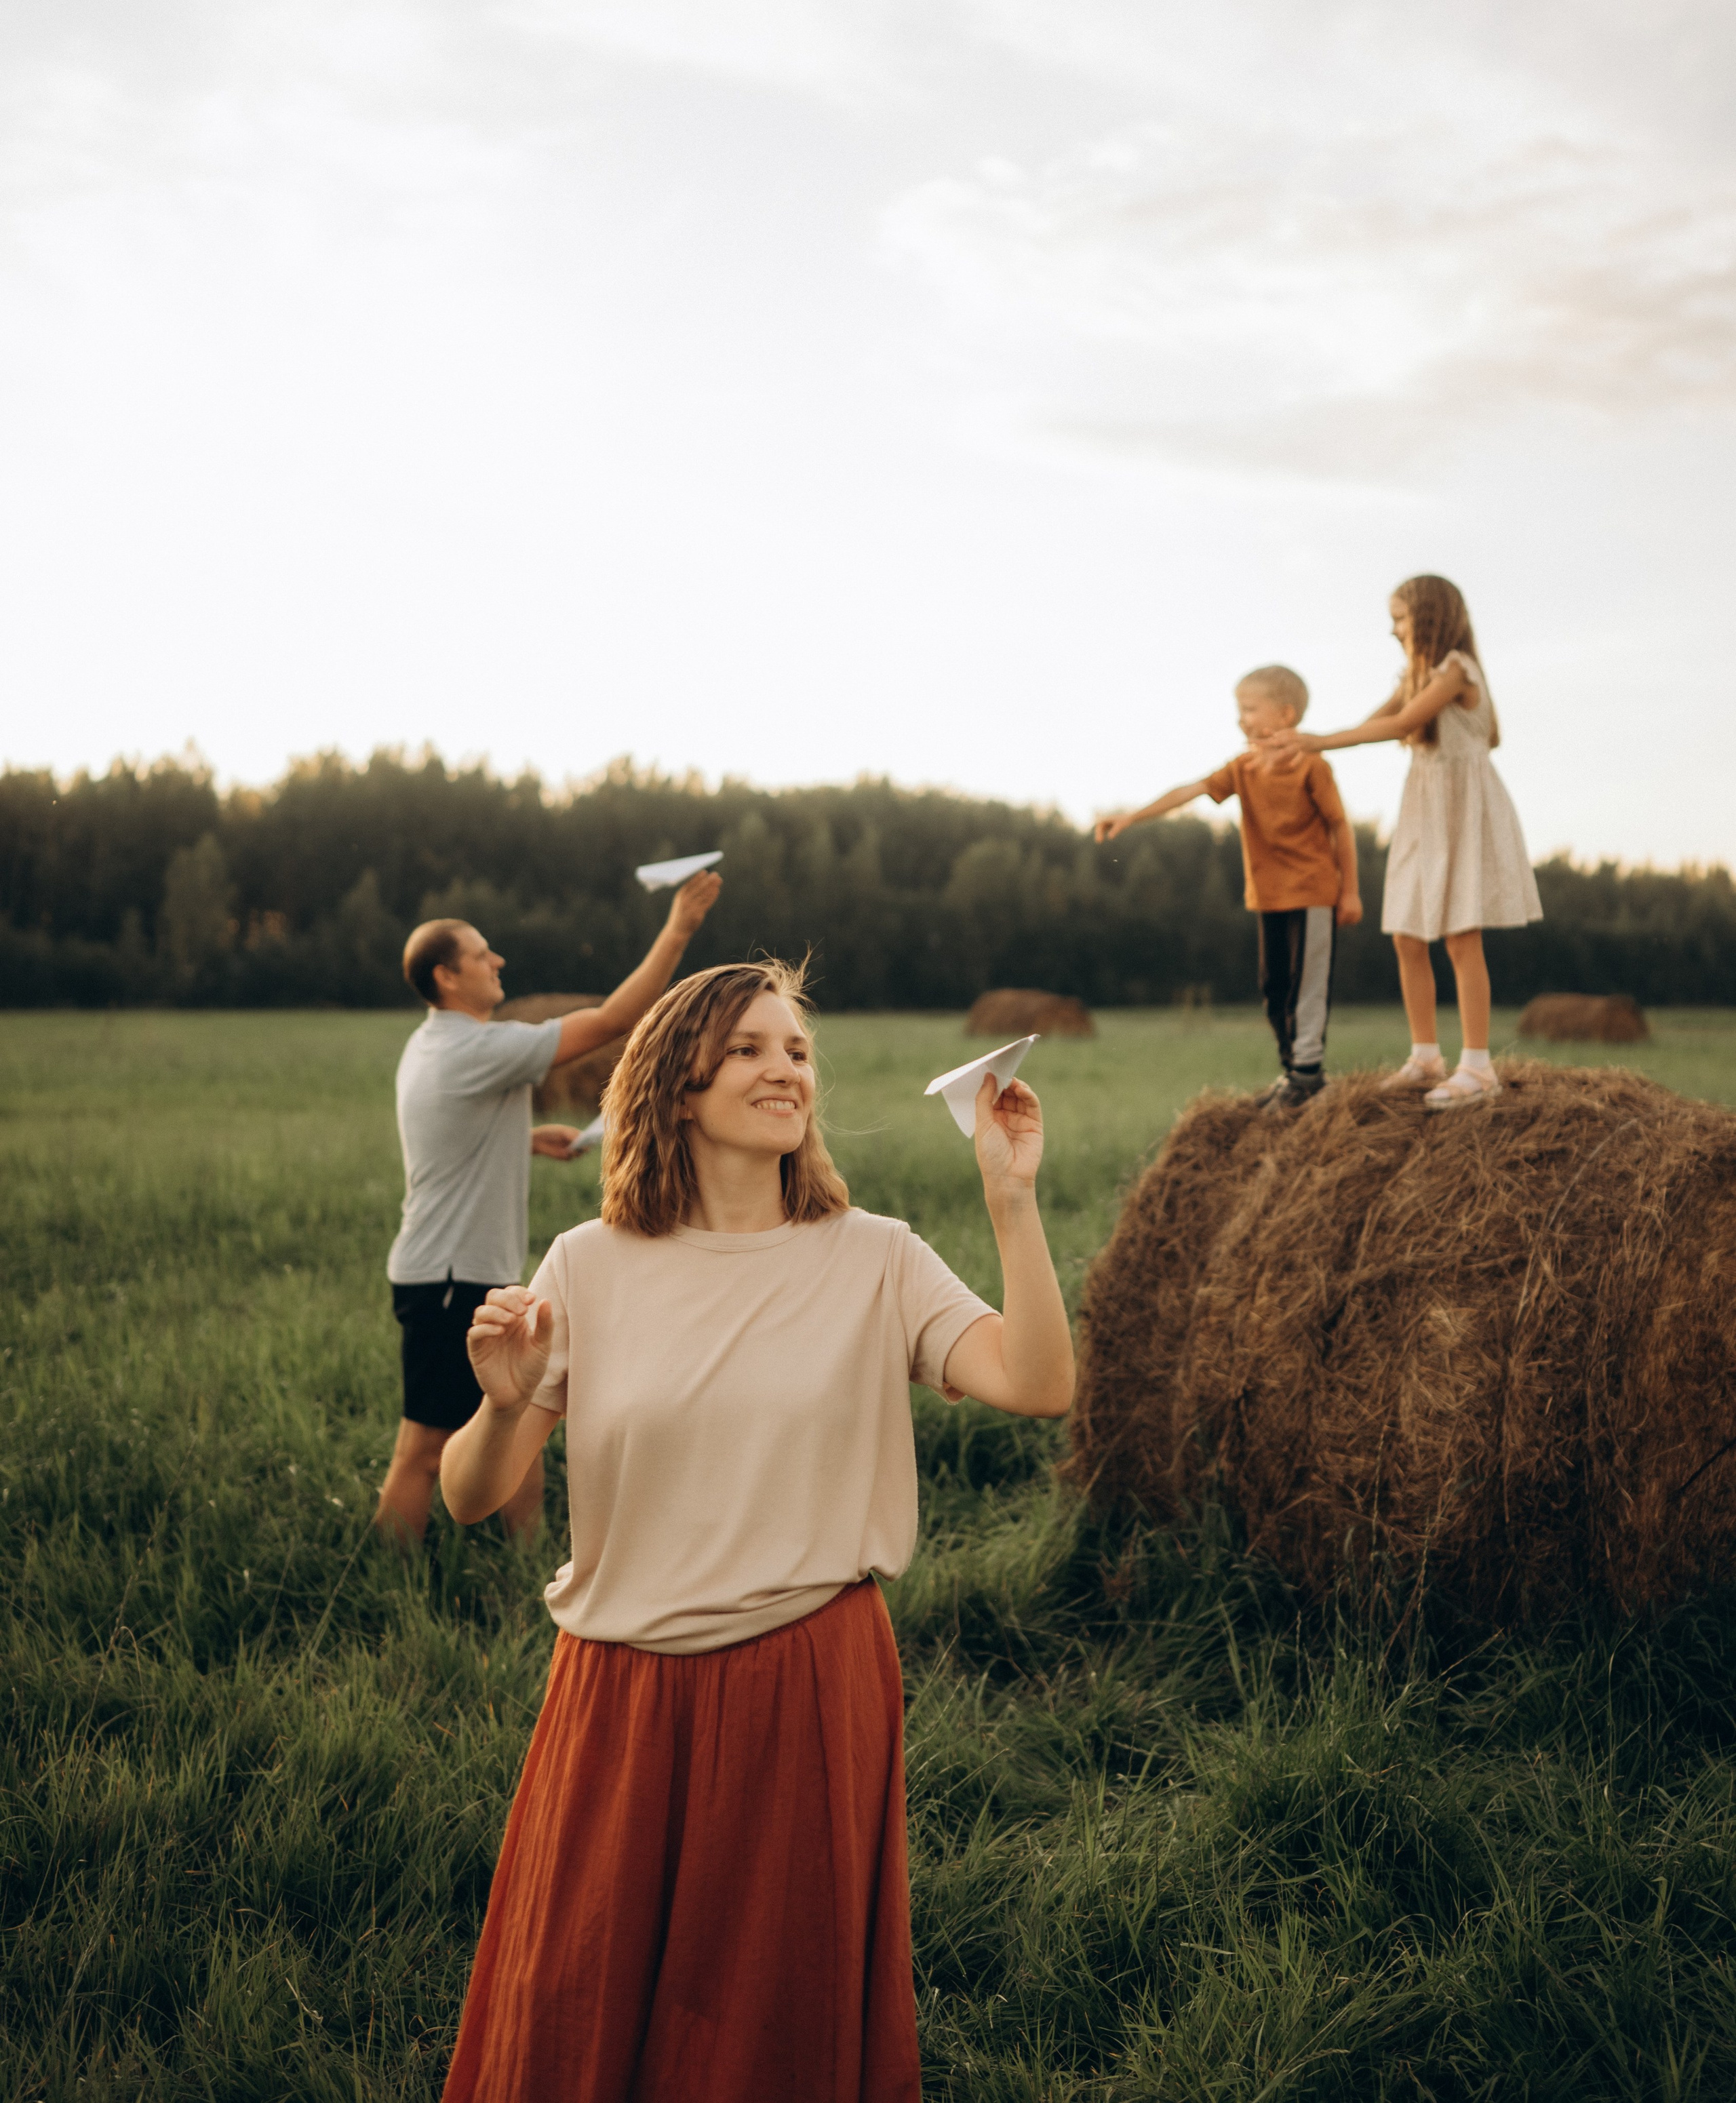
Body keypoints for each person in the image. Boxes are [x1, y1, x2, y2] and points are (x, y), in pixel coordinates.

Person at [435, 959, 1073, 2103]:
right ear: (678, 1085)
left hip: (807, 1683)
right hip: (619, 1694)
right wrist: (500, 1400)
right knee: (577, 2001)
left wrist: (1011, 1198)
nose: (785, 1068)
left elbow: (1036, 1381)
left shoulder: (875, 1255)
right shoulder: (589, 1265)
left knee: (768, 2030)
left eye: (798, 1050)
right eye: (749, 1048)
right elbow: (471, 1495)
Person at [376, 869, 721, 1545]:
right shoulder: (476, 1047)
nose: (497, 960)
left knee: (520, 1415)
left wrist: (523, 1140)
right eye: (481, 953)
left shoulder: (431, 1043)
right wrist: (678, 926)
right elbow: (614, 1020)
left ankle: (525, 1566)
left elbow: (445, 1135)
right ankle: (385, 1582)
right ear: (447, 976)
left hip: (450, 1270)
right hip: (451, 1279)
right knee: (422, 1447)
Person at [1264, 574, 1541, 1110]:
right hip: (1424, 811)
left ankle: (1479, 1066)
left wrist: (1318, 740)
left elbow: (1403, 725)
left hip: (1463, 813)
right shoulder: (1416, 675)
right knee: (1408, 934)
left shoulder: (1456, 670)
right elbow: (1380, 718)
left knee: (1462, 937)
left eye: (1400, 618)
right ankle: (1426, 1056)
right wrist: (1310, 751)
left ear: (1429, 617)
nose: (1393, 630)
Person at [1095, 664, 1362, 1109]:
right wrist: (1132, 816)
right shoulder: (1242, 768)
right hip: (1268, 896)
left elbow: (1341, 827)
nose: (1241, 719)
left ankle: (1309, 1074)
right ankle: (1291, 1074)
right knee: (1273, 987)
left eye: (1249, 709)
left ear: (1285, 713)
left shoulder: (1312, 766)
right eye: (1240, 709)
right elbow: (1191, 790)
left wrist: (1350, 890)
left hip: (1313, 893)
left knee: (1305, 987)